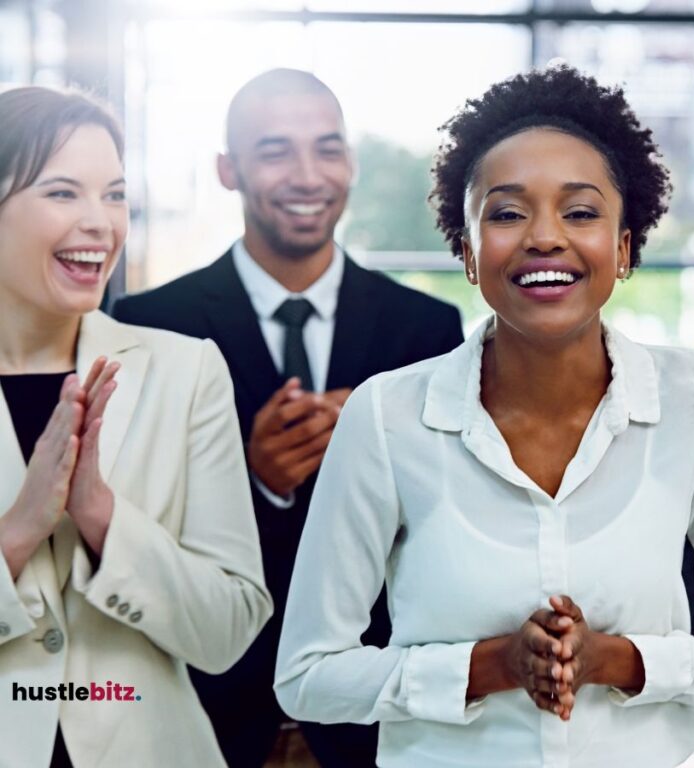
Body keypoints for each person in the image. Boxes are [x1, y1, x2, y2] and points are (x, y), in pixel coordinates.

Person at [274, 65, 694, 768]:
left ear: (625, 246)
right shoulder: (388, 417)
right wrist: (491, 667)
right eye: (507, 212)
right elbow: (307, 676)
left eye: (580, 212)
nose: (544, 237)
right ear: (466, 251)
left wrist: (617, 660)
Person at [112, 69, 463, 767]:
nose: (308, 175)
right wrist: (253, 480)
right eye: (276, 151)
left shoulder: (426, 329)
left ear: (351, 163)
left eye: (328, 149)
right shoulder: (151, 326)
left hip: (377, 723)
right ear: (227, 169)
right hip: (209, 716)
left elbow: (449, 533)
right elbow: (129, 531)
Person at [0, 86, 271, 767]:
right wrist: (18, 531)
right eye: (63, 193)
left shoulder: (186, 373)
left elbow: (228, 629)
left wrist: (100, 515)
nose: (101, 223)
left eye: (115, 195)